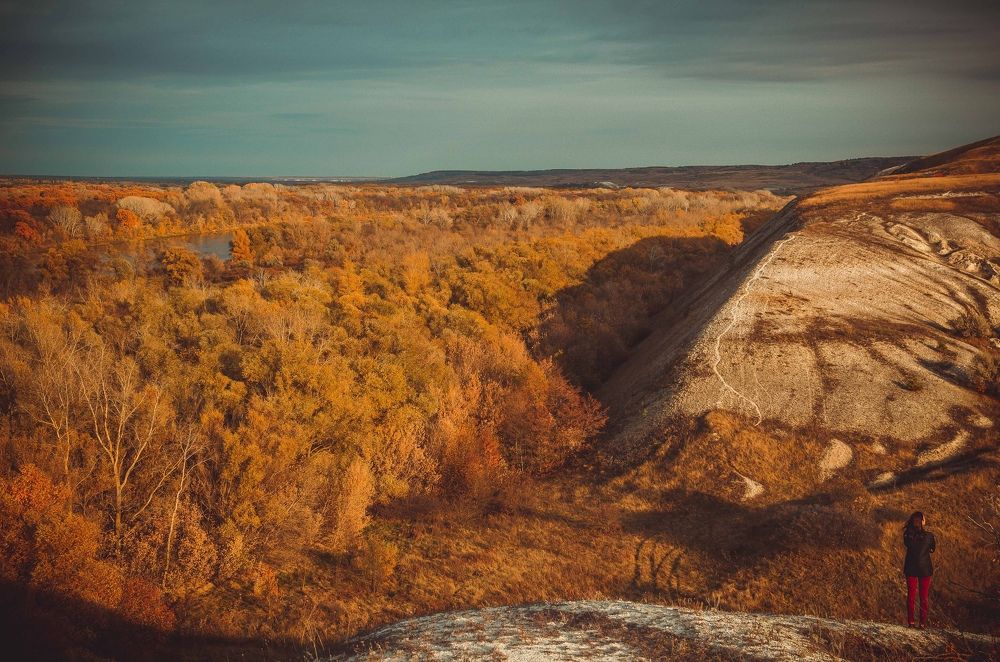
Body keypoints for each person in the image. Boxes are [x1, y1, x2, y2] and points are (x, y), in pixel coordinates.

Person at [902, 511, 936, 628]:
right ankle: (922, 623)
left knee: (911, 596)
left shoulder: (907, 535)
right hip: (925, 569)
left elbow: (907, 544)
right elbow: (932, 549)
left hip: (910, 568)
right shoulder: (929, 536)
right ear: (922, 521)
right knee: (924, 597)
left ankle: (911, 622)